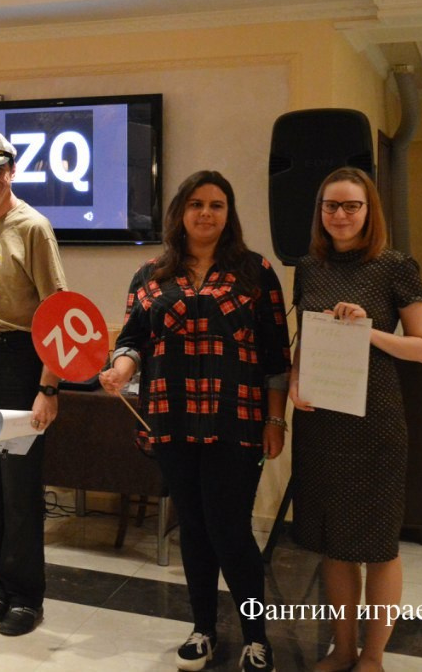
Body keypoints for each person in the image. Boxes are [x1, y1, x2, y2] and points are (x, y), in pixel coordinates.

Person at [99, 170, 290, 672]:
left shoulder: (256, 271)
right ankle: (203, 628)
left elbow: (276, 357)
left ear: (229, 214)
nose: (206, 213)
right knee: (194, 529)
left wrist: (276, 420)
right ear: (180, 212)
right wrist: (122, 368)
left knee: (231, 530)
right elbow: (132, 341)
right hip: (171, 419)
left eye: (217, 205)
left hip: (237, 420)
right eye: (196, 204)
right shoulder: (149, 275)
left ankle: (256, 638)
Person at [290, 167, 422, 672]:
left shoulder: (395, 266)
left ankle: (373, 657)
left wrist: (368, 332)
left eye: (352, 205)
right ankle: (343, 649)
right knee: (334, 544)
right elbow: (305, 338)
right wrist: (295, 382)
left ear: (369, 211)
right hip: (321, 422)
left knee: (378, 545)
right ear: (320, 212)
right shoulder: (308, 267)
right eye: (331, 205)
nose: (341, 215)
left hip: (375, 424)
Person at [0, 129, 67, 638]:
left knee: (18, 484)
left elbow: (57, 312)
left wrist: (48, 387)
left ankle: (26, 597)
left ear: (12, 171)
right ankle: (1, 586)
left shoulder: (33, 226)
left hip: (19, 363)